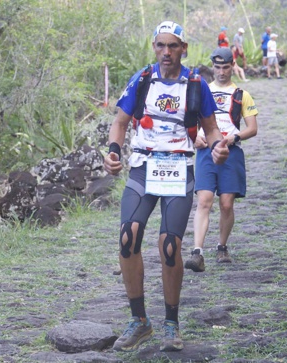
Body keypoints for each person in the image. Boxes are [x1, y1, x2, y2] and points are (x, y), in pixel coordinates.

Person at [104, 21, 229, 353]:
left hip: (178, 168)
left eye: (173, 46)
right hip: (143, 166)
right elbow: (119, 122)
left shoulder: (196, 84)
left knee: (169, 246)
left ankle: (171, 325)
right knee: (128, 236)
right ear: (154, 47)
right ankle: (139, 322)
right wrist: (113, 152)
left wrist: (219, 146)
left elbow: (212, 128)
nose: (166, 52)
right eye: (160, 45)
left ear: (183, 49)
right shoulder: (143, 79)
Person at [185, 47, 258, 272]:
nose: (221, 72)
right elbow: (189, 118)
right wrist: (195, 136)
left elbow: (252, 128)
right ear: (212, 68)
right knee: (204, 200)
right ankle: (197, 251)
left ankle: (222, 246)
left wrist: (234, 137)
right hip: (206, 152)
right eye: (217, 67)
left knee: (226, 204)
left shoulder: (242, 94)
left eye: (225, 67)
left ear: (232, 67)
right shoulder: (202, 90)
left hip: (231, 152)